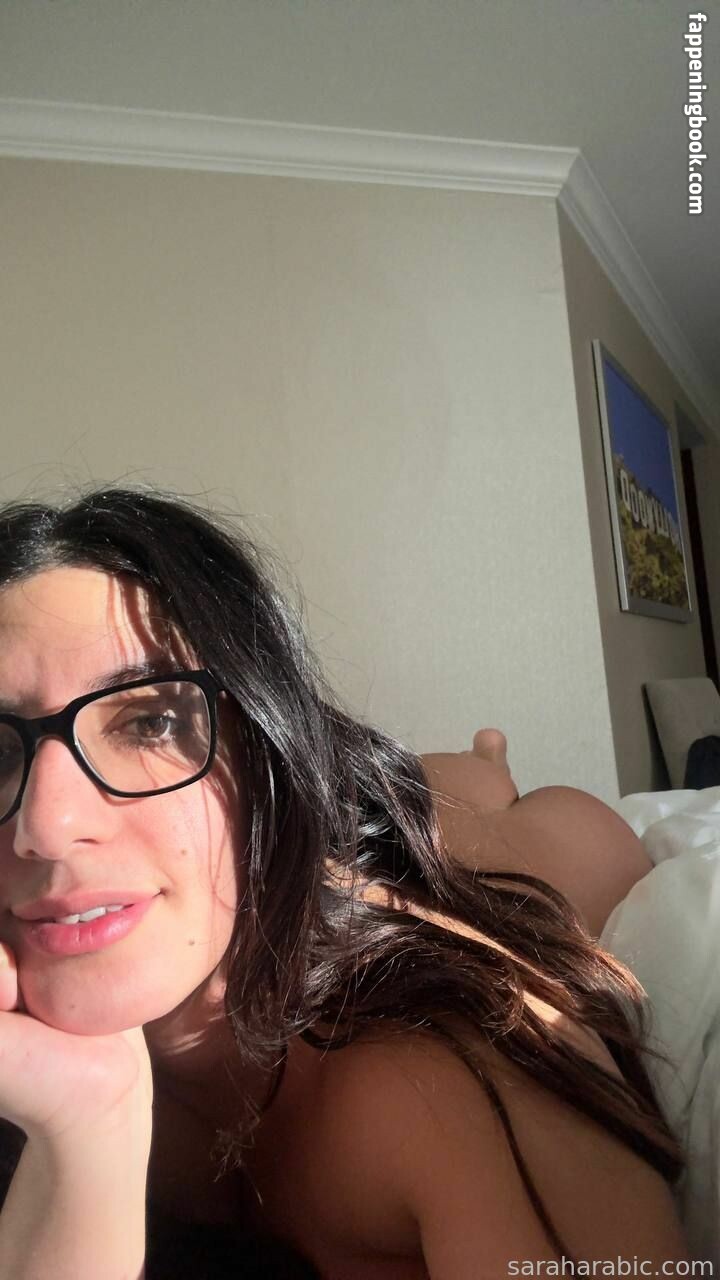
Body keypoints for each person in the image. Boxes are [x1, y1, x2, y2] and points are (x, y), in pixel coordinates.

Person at [0, 486, 689, 1278]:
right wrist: (87, 1129)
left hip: (478, 845)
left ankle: (484, 764)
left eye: (150, 720)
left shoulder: (461, 1065)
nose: (45, 825)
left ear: (266, 749)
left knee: (500, 817)